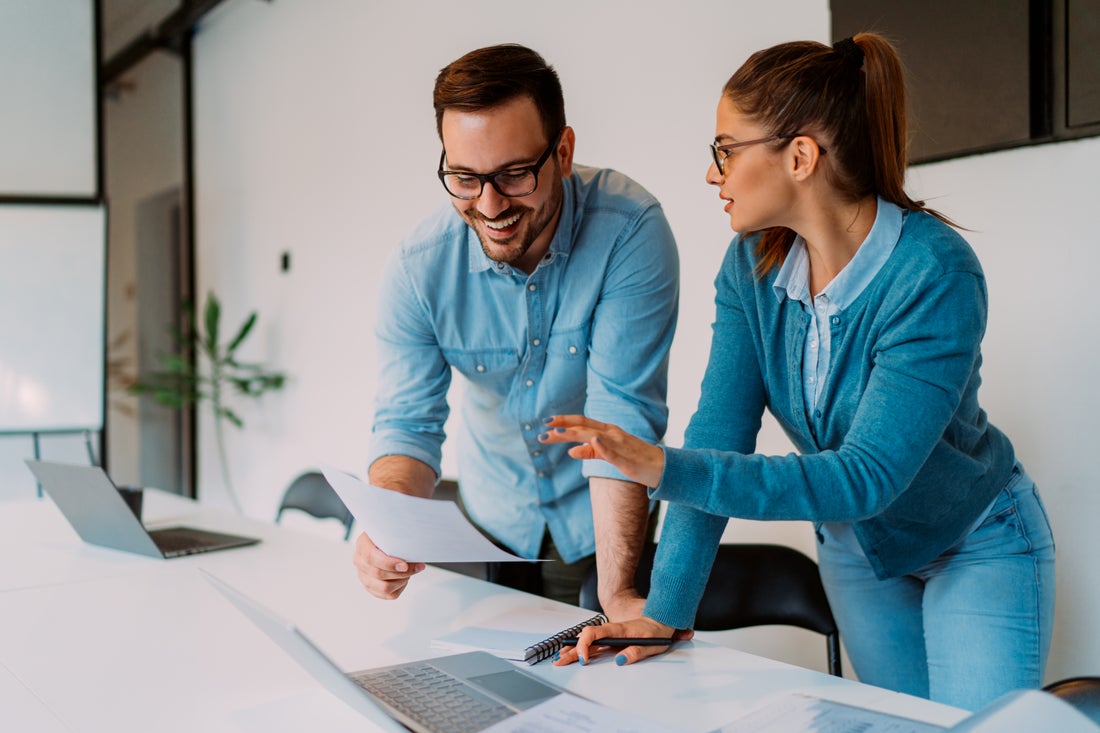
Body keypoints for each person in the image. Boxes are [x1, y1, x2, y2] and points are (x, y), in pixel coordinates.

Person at [541, 33, 1055, 711]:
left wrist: (663, 466)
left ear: (801, 155)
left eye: (725, 149)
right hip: (860, 552)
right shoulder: (749, 270)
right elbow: (720, 432)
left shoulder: (933, 273)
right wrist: (665, 606)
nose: (712, 172)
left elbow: (863, 476)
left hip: (976, 542)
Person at [354, 44, 679, 614]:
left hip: (604, 519)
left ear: (563, 151)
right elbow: (407, 423)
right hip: (492, 516)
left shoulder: (630, 232)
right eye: (464, 177)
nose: (489, 204)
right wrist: (391, 524)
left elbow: (621, 417)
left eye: (513, 174)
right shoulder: (418, 267)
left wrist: (619, 594)